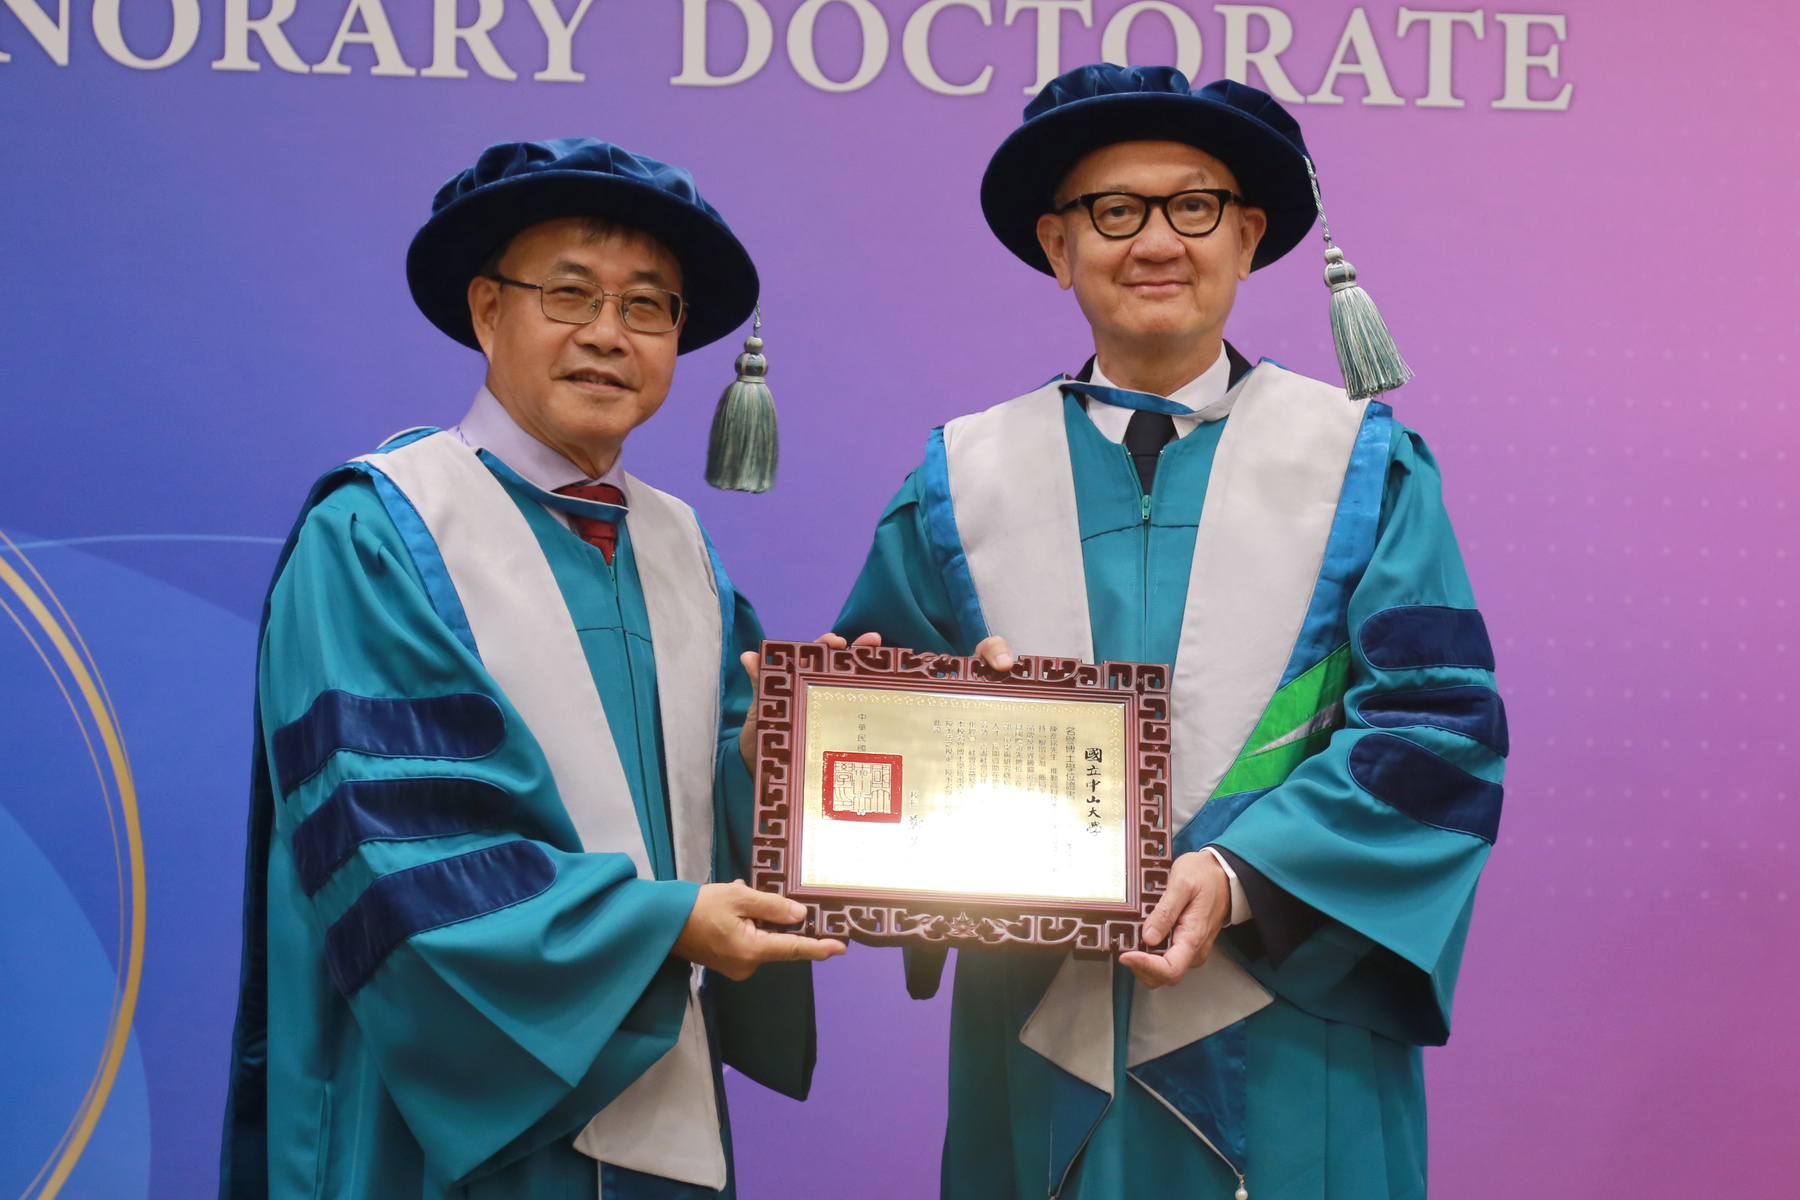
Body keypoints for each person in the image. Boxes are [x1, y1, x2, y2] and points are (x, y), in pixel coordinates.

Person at [830, 66, 1507, 1200]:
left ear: (1247, 236)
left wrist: (1246, 872)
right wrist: (897, 727)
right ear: (1057, 245)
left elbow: (1438, 728)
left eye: (1193, 208)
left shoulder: (1360, 464)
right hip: (1044, 1021)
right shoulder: (963, 477)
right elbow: (870, 738)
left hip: (1289, 1013)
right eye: (1113, 211)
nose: (1156, 241)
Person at [218, 138, 844, 1200]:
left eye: (648, 306)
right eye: (569, 293)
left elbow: (709, 823)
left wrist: (780, 763)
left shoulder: (681, 551)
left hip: (657, 1086)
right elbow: (393, 842)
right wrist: (663, 926)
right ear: (485, 309)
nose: (608, 335)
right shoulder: (383, 529)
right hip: (444, 1109)